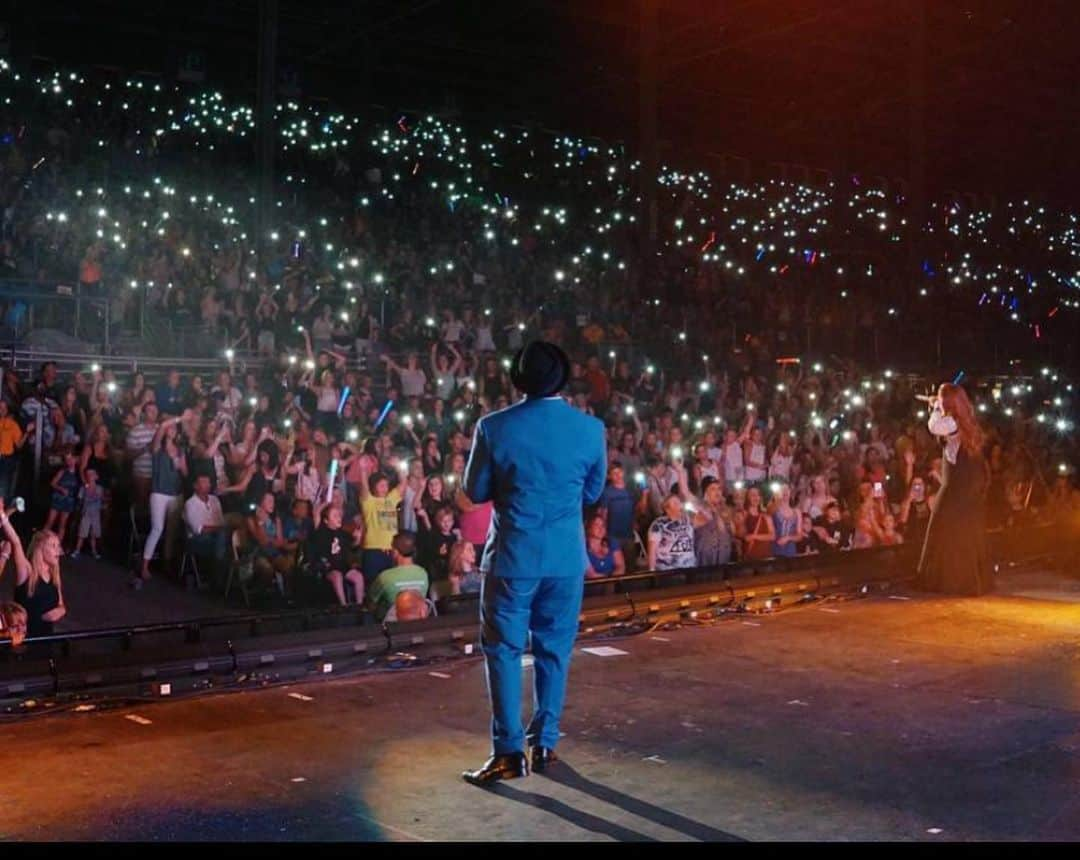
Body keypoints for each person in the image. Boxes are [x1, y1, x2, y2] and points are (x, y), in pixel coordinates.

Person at [461, 340, 606, 786]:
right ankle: (545, 742)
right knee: (554, 650)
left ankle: (508, 752)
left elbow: (476, 490)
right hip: (565, 558)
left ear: (518, 379)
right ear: (562, 378)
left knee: (503, 651)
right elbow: (593, 493)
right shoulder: (591, 429)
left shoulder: (494, 426)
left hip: (513, 557)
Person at [916, 383, 992, 595]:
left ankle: (953, 581)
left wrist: (935, 408)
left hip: (959, 480)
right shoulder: (966, 417)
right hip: (968, 478)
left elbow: (933, 427)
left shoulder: (950, 421)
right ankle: (967, 579)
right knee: (965, 528)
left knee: (945, 525)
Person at [0, 501, 65, 638]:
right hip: (22, 641)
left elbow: (61, 604)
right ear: (41, 548)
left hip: (45, 640)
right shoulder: (27, 571)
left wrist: (60, 610)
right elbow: (16, 541)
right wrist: (4, 515)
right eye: (53, 546)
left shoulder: (53, 575)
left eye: (58, 546)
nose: (58, 551)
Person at [308, 503, 365, 607]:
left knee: (358, 576)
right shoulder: (320, 533)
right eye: (334, 516)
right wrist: (325, 504)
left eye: (339, 515)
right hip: (328, 568)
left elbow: (353, 546)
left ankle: (359, 605)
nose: (338, 518)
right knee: (337, 576)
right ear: (326, 520)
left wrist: (357, 538)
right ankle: (343, 606)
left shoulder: (342, 533)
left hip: (343, 567)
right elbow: (316, 514)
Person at [368, 531, 429, 622]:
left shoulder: (385, 577)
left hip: (392, 627)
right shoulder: (423, 573)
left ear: (395, 552)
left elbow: (371, 604)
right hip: (419, 623)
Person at [71, 467, 104, 560]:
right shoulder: (83, 488)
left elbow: (99, 497)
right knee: (82, 533)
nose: (90, 476)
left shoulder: (99, 488)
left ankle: (94, 551)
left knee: (93, 534)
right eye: (88, 475)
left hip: (95, 514)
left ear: (96, 476)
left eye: (92, 474)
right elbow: (80, 500)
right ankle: (77, 550)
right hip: (86, 514)